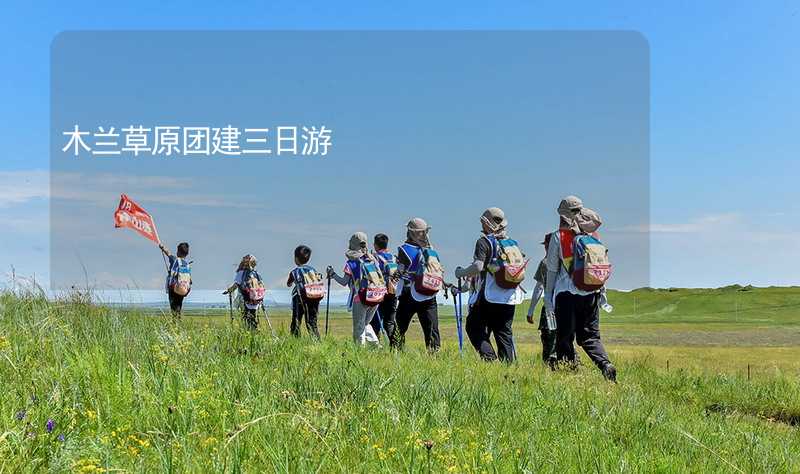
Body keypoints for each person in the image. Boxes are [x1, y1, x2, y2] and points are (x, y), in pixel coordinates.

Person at [543, 196, 617, 382]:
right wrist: (602, 293)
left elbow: (551, 270)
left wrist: (548, 297)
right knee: (590, 337)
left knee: (565, 337)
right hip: (592, 292)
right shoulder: (594, 237)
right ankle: (605, 364)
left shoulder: (558, 237)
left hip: (566, 295)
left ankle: (569, 376)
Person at [455, 208, 525, 362]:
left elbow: (478, 267)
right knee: (504, 333)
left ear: (486, 223)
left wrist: (461, 273)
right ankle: (508, 369)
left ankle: (489, 359)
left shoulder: (484, 242)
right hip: (510, 296)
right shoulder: (512, 243)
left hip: (490, 295)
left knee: (473, 327)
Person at [394, 218, 443, 353]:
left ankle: (396, 353)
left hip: (409, 293)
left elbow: (400, 270)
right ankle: (434, 355)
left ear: (410, 232)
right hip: (429, 292)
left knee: (400, 327)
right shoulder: (431, 250)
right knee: (432, 329)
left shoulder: (404, 250)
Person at [327, 232, 382, 346]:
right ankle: (375, 345)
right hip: (376, 296)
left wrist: (332, 274)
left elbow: (344, 282)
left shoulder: (350, 263)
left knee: (359, 327)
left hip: (360, 297)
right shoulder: (372, 259)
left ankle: (359, 350)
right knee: (366, 323)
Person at [527, 234, 557, 366]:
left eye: (546, 245)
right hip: (566, 305)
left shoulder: (545, 263)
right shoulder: (566, 261)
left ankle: (549, 365)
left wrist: (531, 310)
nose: (545, 247)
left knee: (548, 337)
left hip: (550, 307)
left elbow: (539, 287)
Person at [287, 245, 322, 340]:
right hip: (314, 298)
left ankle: (295, 341)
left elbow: (289, 284)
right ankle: (317, 341)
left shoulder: (294, 272)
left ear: (296, 258)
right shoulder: (313, 270)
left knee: (296, 320)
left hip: (300, 298)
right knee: (312, 322)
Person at [370, 233, 400, 345]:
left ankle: (375, 347)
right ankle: (396, 347)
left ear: (375, 245)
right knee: (390, 321)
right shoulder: (393, 257)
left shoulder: (376, 258)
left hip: (381, 293)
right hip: (393, 292)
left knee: (375, 321)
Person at [224, 254, 264, 330]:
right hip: (256, 300)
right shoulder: (256, 274)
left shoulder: (241, 273)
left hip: (244, 299)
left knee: (245, 317)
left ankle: (247, 331)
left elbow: (236, 285)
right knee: (254, 316)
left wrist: (228, 291)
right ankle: (254, 330)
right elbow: (262, 285)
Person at [159, 242, 190, 320]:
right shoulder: (186, 264)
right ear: (187, 253)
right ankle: (177, 321)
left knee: (173, 308)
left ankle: (175, 324)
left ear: (178, 252)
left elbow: (168, 253)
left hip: (173, 288)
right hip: (183, 288)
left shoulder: (175, 260)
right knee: (179, 305)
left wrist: (162, 247)